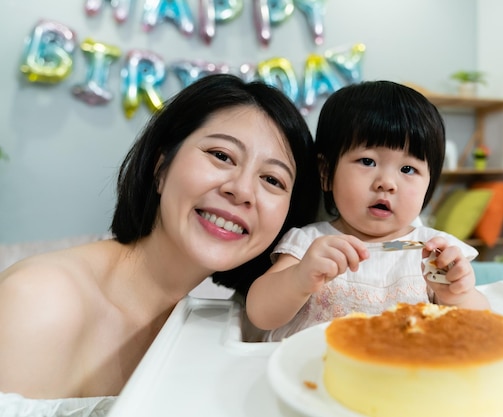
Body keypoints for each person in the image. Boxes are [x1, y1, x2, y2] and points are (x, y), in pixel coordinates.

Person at [0, 74, 320, 415]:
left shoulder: (213, 324)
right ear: (160, 166)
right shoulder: (41, 300)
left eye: (272, 180)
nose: (241, 190)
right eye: (222, 156)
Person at [245, 80, 490, 342]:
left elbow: (480, 324)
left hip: (406, 374)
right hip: (315, 372)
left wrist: (458, 295)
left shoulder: (431, 250)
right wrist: (298, 278)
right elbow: (260, 315)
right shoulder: (311, 244)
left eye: (408, 169)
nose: (387, 182)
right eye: (367, 161)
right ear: (326, 172)